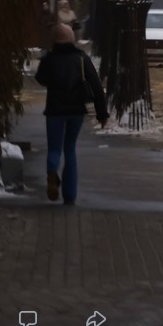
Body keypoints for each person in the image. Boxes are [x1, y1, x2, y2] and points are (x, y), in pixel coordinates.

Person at [34, 24, 109, 205]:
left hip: (54, 110)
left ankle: (52, 172)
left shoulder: (49, 59)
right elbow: (97, 86)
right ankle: (70, 195)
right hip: (76, 111)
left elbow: (40, 79)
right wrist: (102, 113)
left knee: (54, 148)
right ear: (71, 38)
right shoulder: (81, 58)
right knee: (70, 149)